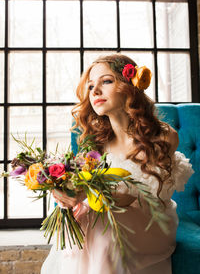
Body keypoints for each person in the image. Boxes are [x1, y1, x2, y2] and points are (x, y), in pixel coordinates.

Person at [41, 53, 194, 274]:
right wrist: (67, 194)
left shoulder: (162, 136)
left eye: (107, 81)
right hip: (109, 217)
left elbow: (133, 195)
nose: (94, 91)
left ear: (129, 85)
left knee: (101, 231)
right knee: (85, 226)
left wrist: (86, 194)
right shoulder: (97, 144)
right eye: (91, 85)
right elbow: (92, 193)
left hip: (150, 223)